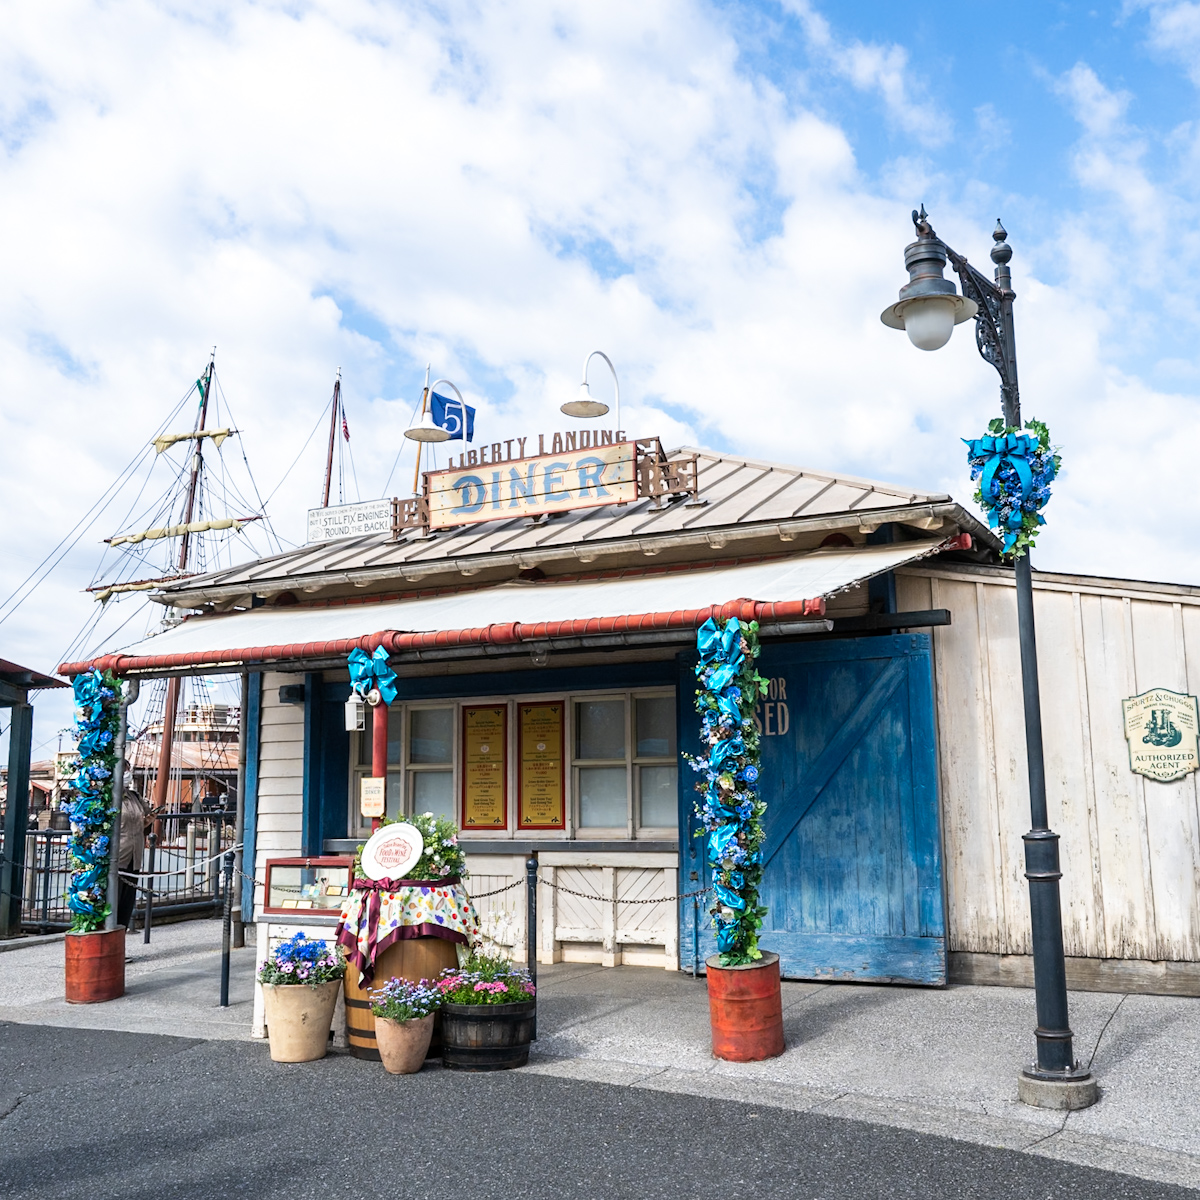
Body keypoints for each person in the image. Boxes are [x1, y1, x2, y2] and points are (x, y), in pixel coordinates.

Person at [117, 788, 151, 931]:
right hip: (118, 856)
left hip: (134, 856)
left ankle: (121, 937)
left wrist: (148, 821)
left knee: (127, 902)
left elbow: (144, 820)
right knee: (114, 901)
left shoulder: (135, 796)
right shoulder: (107, 795)